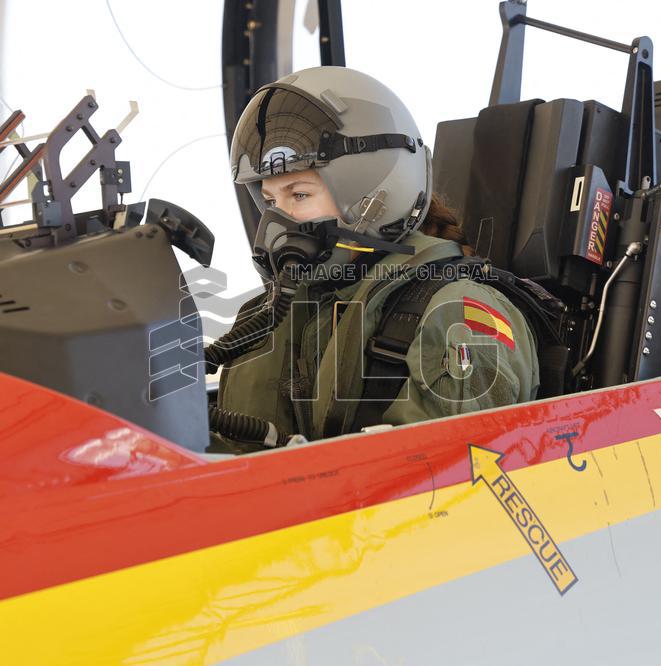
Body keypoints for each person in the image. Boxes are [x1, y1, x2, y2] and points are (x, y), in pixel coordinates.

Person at [206, 66, 540, 452]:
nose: (278, 220)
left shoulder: (457, 316)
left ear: (375, 195)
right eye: (269, 201)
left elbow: (441, 485)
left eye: (298, 195)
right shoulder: (282, 313)